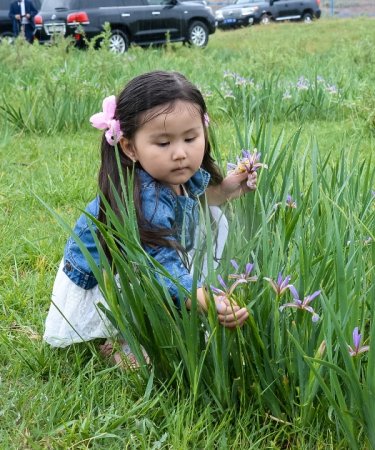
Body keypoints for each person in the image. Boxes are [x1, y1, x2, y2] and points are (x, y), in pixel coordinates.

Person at [43, 71, 257, 367]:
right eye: (163, 143)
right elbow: (159, 267)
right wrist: (204, 298)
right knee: (156, 342)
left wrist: (226, 190)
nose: (180, 153)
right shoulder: (146, 198)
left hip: (143, 262)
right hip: (110, 274)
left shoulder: (175, 174)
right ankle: (123, 339)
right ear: (129, 147)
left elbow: (196, 199)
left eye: (191, 138)